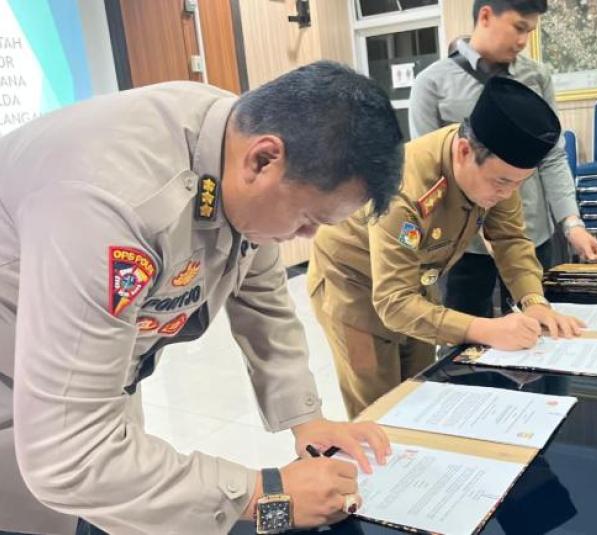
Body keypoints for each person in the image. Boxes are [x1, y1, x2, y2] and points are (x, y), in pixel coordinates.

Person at [0, 61, 403, 535]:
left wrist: (307, 421)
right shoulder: (114, 205)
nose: (308, 237)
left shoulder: (234, 141)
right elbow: (70, 455)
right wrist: (263, 492)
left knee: (124, 502)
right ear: (263, 160)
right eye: (307, 220)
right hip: (17, 395)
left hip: (89, 377)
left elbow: (263, 296)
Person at [308, 76, 585, 418]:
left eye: (518, 184)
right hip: (353, 285)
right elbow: (393, 302)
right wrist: (487, 330)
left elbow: (510, 240)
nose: (507, 193)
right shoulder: (403, 189)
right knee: (380, 409)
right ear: (464, 151)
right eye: (502, 182)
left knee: (421, 391)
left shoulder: (497, 169)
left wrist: (534, 301)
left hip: (414, 278)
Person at [409, 0, 597, 319]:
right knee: (468, 332)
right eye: (519, 28)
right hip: (464, 248)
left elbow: (552, 156)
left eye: (530, 31)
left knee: (542, 323)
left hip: (530, 233)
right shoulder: (432, 84)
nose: (523, 40)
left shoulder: (536, 76)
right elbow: (431, 175)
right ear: (486, 15)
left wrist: (572, 224)